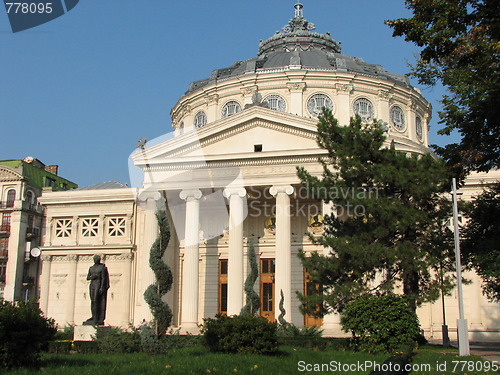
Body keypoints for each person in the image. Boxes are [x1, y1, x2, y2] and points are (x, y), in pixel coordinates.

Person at [83, 254, 110, 326]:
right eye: (95, 259)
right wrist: (92, 276)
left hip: (98, 284)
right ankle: (93, 316)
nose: (95, 260)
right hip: (92, 284)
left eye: (97, 259)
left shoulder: (102, 268)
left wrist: (102, 287)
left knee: (96, 300)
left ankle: (97, 317)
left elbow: (104, 278)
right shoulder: (91, 268)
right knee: (92, 301)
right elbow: (88, 277)